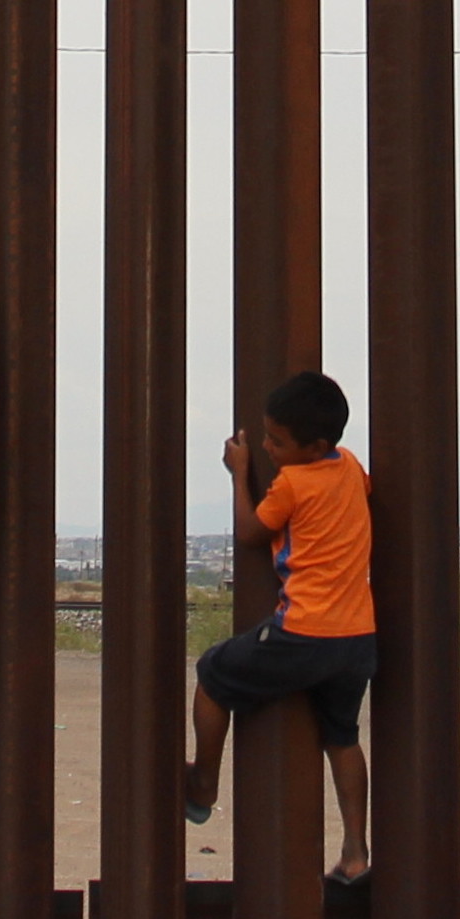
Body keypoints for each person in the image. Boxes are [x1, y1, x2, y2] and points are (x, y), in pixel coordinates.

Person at [180, 368, 375, 887]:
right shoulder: (350, 466)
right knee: (342, 736)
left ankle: (202, 785)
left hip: (304, 633)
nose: (266, 446)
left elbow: (249, 532)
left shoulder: (292, 482)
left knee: (212, 672)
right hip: (358, 637)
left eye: (276, 441)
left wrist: (238, 473)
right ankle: (355, 852)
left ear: (315, 446)